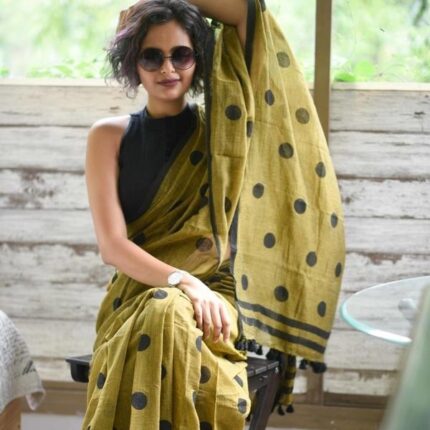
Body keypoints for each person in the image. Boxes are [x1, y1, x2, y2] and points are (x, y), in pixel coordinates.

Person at [83, 0, 346, 428]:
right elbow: (112, 246)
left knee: (166, 311)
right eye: (151, 56)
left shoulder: (225, 133)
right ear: (133, 63)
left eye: (181, 54)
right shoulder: (107, 136)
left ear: (199, 59)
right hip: (139, 290)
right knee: (164, 308)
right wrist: (185, 282)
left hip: (217, 294)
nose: (168, 68)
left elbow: (247, 13)